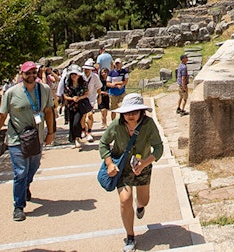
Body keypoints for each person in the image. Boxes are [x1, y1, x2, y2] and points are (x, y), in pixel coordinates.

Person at [0, 61, 55, 222]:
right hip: (17, 138)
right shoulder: (11, 93)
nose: (31, 75)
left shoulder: (44, 90)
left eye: (34, 72)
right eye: (27, 73)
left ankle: (25, 186)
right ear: (21, 74)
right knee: (20, 172)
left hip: (36, 137)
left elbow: (48, 111)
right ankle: (18, 206)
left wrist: (51, 132)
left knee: (33, 167)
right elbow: (2, 116)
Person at [98, 93, 163, 252]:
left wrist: (143, 163)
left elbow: (159, 148)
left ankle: (140, 206)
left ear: (141, 112)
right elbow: (103, 143)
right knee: (125, 200)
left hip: (143, 168)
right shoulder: (116, 125)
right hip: (123, 169)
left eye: (134, 112)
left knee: (144, 200)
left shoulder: (148, 125)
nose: (131, 116)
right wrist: (109, 163)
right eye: (127, 112)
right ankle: (130, 236)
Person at [62, 65, 88, 146]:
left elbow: (86, 94)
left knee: (76, 122)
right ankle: (73, 139)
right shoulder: (67, 84)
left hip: (80, 106)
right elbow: (65, 95)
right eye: (72, 74)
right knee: (71, 122)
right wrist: (72, 98)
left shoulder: (83, 83)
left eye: (75, 74)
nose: (74, 75)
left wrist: (79, 98)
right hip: (71, 106)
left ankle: (77, 138)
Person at [81, 60, 104, 140]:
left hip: (91, 98)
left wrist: (99, 97)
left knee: (90, 114)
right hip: (82, 98)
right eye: (85, 69)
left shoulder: (95, 77)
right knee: (83, 116)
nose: (86, 70)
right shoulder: (81, 76)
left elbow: (98, 87)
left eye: (88, 69)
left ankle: (89, 131)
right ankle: (83, 129)